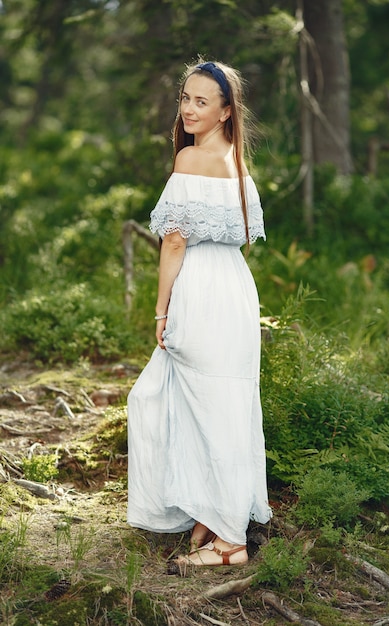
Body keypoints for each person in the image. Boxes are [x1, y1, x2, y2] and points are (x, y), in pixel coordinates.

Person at [127, 59, 272, 570]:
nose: (188, 109)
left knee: (187, 401)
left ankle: (230, 542)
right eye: (184, 98)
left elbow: (173, 242)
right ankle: (211, 514)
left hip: (201, 288)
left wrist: (161, 309)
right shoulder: (237, 161)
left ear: (225, 111)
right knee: (221, 404)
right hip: (234, 288)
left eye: (201, 101)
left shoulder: (191, 160)